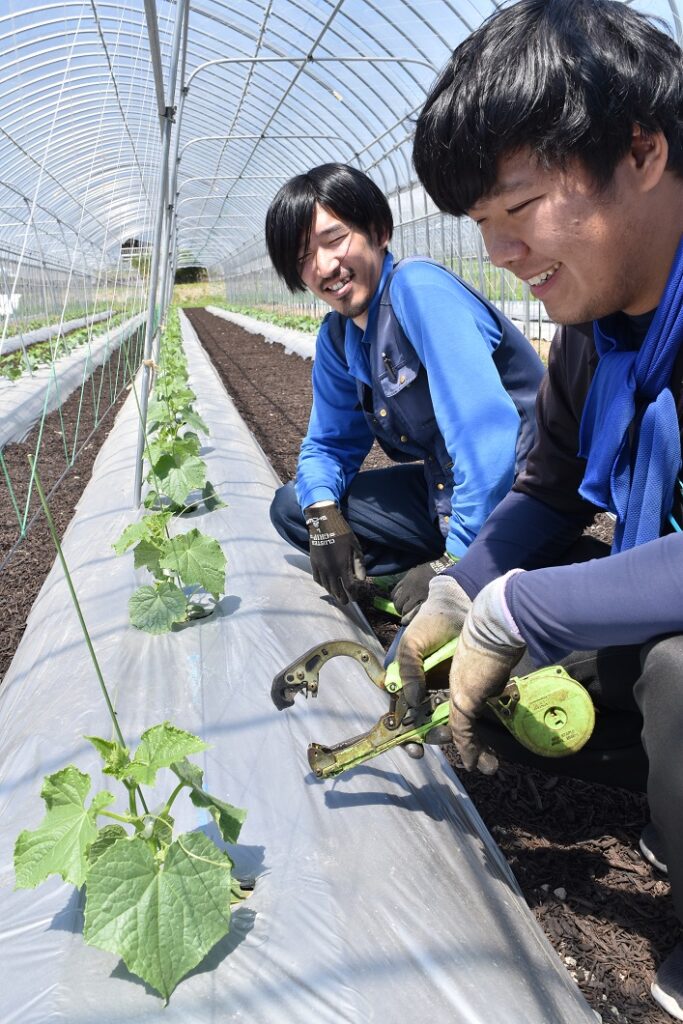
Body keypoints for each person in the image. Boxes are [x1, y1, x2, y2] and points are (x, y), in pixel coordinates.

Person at [401, 0, 683, 1017]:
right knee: (485, 667)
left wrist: (525, 609)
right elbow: (548, 489)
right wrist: (459, 588)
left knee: (676, 675)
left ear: (640, 152)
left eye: (516, 209)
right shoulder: (593, 332)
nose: (501, 251)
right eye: (483, 226)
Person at [265, 163, 544, 620]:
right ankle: (449, 565)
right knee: (294, 509)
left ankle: (522, 566)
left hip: (524, 491)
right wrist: (323, 518)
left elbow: (489, 446)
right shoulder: (339, 337)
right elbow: (328, 444)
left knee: (473, 585)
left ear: (378, 231)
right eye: (302, 257)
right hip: (447, 491)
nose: (323, 267)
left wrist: (455, 567)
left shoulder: (418, 288)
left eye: (334, 240)